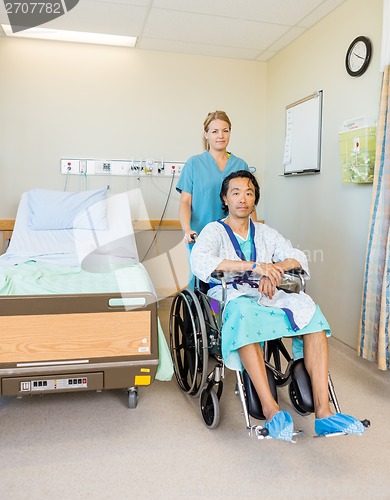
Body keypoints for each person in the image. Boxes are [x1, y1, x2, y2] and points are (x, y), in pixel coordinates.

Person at [190, 170, 366, 441]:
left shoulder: (264, 233)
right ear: (225, 198)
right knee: (244, 314)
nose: (243, 198)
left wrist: (274, 268)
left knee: (311, 313)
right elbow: (200, 262)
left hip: (267, 293)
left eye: (249, 193)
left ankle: (324, 413)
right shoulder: (214, 231)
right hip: (228, 296)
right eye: (235, 193)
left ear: (254, 199)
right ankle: (272, 411)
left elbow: (297, 257)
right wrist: (254, 267)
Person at [176, 110, 251, 288]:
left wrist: (254, 234)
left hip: (232, 238)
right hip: (200, 237)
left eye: (225, 131)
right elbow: (185, 202)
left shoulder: (240, 165)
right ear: (206, 134)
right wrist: (187, 229)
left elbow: (248, 204)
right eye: (215, 131)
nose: (220, 136)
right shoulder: (194, 163)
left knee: (230, 287)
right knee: (199, 287)